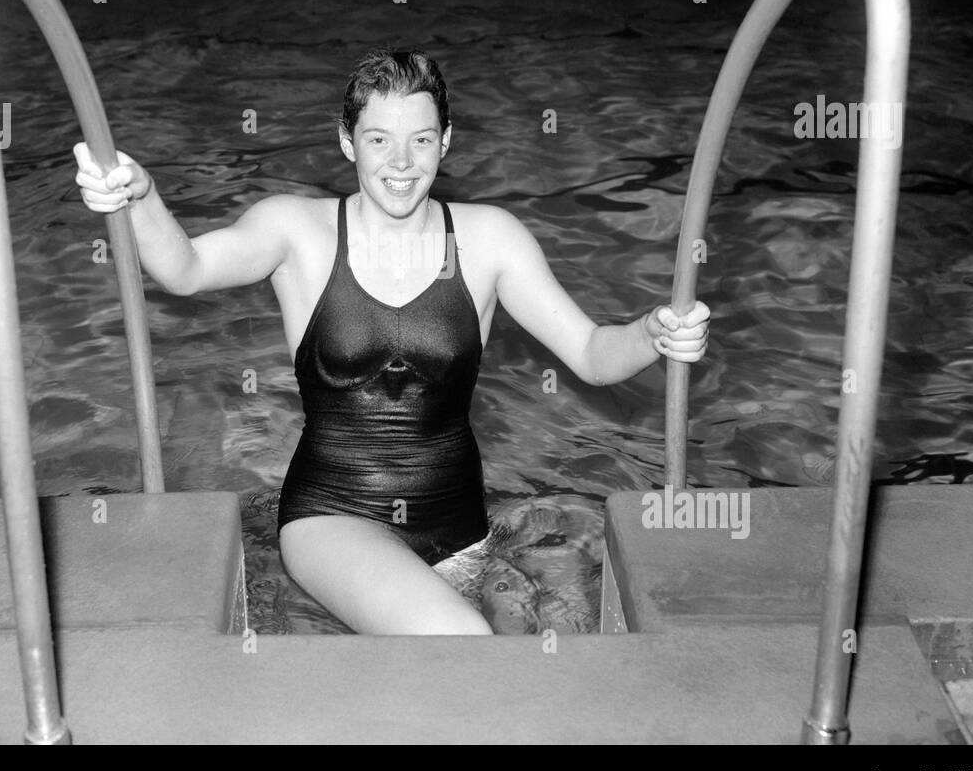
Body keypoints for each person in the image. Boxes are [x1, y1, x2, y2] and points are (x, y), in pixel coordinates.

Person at [73, 48, 710, 635]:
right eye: (379, 140)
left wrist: (653, 334)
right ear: (347, 141)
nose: (400, 164)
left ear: (446, 143)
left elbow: (594, 355)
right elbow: (183, 269)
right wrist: (142, 196)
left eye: (421, 141)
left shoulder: (491, 239)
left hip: (460, 533)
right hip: (332, 515)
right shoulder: (298, 230)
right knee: (461, 643)